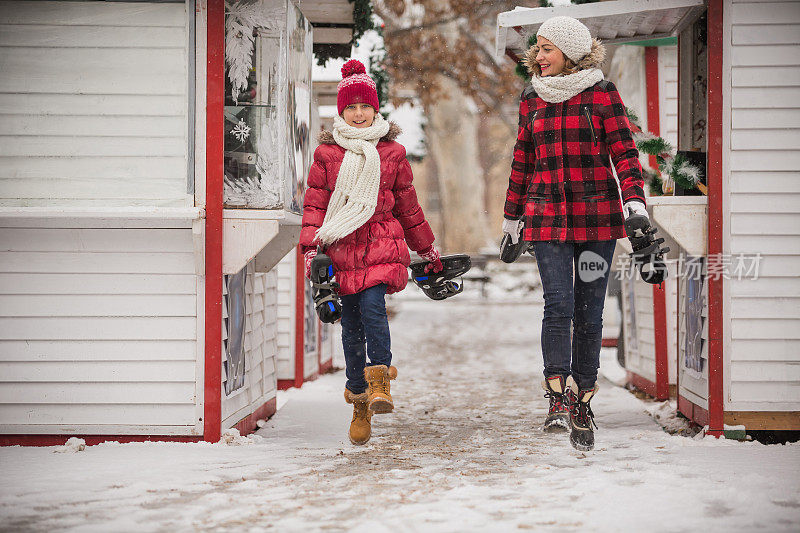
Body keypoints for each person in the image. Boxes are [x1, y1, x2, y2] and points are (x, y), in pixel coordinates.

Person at [502, 16, 648, 451]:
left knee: (589, 310)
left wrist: (635, 202)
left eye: (547, 48)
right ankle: (556, 395)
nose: (539, 56)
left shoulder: (601, 93)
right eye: (538, 49)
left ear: (570, 52)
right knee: (558, 304)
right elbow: (522, 160)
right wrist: (511, 219)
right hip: (546, 218)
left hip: (598, 219)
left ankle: (582, 398)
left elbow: (625, 152)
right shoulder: (532, 98)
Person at [300, 59, 443, 445]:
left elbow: (408, 206)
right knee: (352, 325)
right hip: (342, 246)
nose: (359, 113)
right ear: (341, 111)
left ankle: (380, 380)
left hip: (381, 243)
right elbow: (315, 204)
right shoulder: (326, 154)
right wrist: (311, 249)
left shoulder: (392, 152)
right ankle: (359, 399)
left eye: (365, 106)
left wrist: (426, 248)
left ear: (376, 109)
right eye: (351, 107)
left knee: (373, 309)